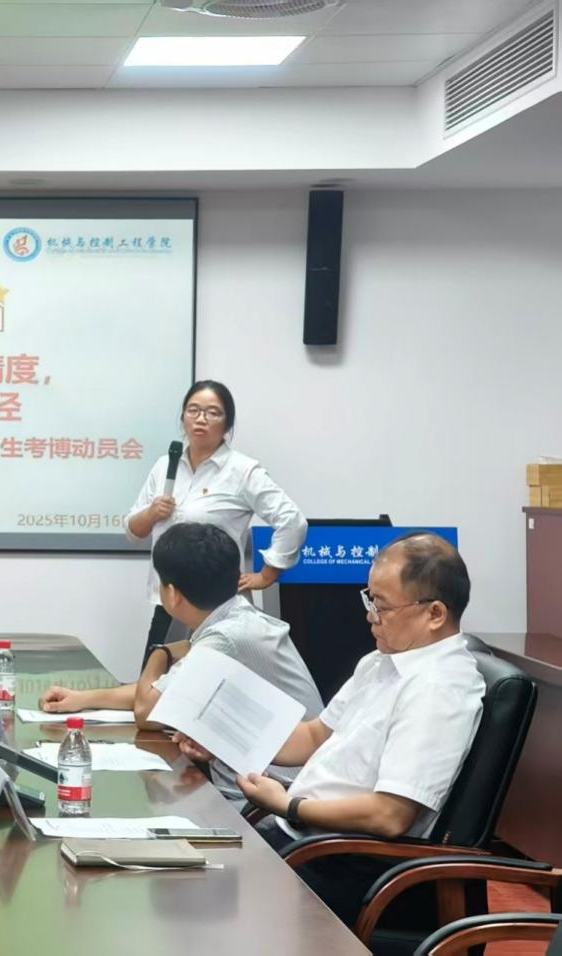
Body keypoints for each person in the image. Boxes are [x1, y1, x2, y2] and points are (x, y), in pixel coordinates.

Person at [177, 532, 485, 925]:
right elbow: (311, 737)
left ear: (435, 614)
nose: (370, 616)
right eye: (369, 600)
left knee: (190, 900)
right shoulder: (381, 663)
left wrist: (288, 806)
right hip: (306, 839)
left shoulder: (438, 688)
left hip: (348, 864)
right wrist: (221, 739)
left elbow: (389, 815)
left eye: (382, 607)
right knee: (175, 870)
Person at [39, 522, 322, 802]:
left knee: (148, 798)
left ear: (172, 594)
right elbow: (167, 692)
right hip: (267, 785)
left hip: (275, 798)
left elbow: (148, 712)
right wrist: (84, 699)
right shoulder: (234, 617)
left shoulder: (225, 638)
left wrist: (160, 652)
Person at [125, 380, 307, 651]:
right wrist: (151, 513)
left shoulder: (242, 470)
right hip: (170, 603)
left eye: (213, 413)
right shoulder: (165, 465)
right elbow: (133, 531)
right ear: (183, 417)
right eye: (193, 410)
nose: (201, 419)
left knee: (213, 676)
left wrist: (266, 575)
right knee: (156, 676)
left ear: (227, 424)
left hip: (219, 608)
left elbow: (292, 521)